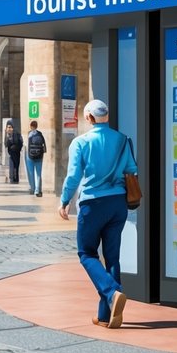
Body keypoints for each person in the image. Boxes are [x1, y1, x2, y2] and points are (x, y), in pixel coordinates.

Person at [57, 99, 135, 330]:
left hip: (93, 204)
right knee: (112, 257)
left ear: (89, 118)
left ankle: (112, 293)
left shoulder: (81, 142)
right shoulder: (123, 140)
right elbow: (132, 169)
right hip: (118, 202)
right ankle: (105, 316)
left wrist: (64, 201)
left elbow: (73, 176)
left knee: (86, 253)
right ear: (107, 117)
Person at [25, 120, 47, 197]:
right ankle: (38, 190)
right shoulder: (40, 134)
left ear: (31, 126)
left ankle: (33, 188)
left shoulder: (29, 134)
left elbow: (26, 145)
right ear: (37, 126)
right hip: (39, 156)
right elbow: (44, 145)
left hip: (30, 156)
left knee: (31, 173)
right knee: (38, 173)